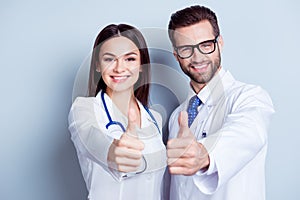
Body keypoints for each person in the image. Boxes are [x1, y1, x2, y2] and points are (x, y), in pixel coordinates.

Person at [166, 5, 275, 200]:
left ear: (220, 43)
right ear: (176, 56)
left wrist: (204, 154)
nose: (197, 57)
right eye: (185, 49)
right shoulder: (177, 117)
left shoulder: (249, 97)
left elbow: (248, 131)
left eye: (206, 45)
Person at [68, 24, 166, 200]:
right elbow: (92, 139)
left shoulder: (155, 118)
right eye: (109, 59)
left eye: (129, 59)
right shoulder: (84, 109)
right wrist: (114, 152)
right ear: (97, 65)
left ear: (142, 65)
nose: (119, 68)